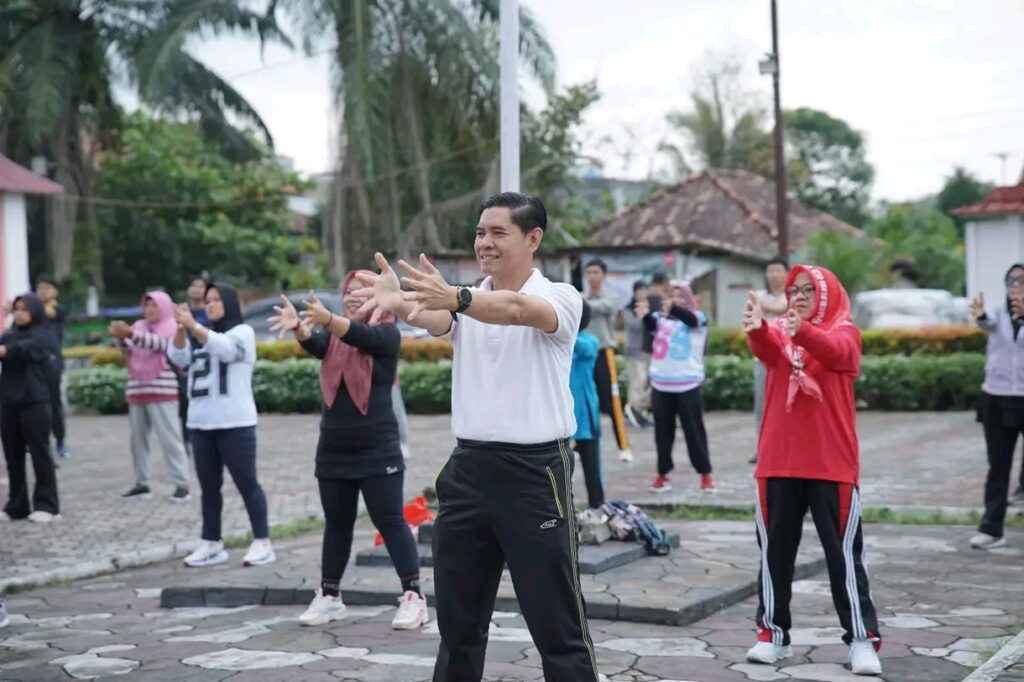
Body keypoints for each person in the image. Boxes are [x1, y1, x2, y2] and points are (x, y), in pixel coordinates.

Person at [355, 192, 598, 681]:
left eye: (498, 232)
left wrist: (459, 298)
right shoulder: (465, 302)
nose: (484, 242)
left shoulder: (560, 298)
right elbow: (437, 316)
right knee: (459, 625)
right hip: (467, 472)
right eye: (480, 232)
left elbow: (512, 309)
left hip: (535, 474)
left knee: (557, 626)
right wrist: (399, 302)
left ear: (533, 239)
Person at [742, 265, 882, 676]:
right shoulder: (783, 333)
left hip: (831, 465)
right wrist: (757, 329)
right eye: (793, 290)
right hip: (778, 461)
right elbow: (769, 350)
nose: (798, 296)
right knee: (774, 556)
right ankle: (772, 635)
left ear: (828, 295)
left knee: (844, 559)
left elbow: (836, 353)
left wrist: (800, 330)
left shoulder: (845, 332)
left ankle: (861, 638)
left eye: (808, 290)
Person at [268, 277, 428, 630]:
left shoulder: (387, 334)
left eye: (362, 293)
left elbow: (360, 337)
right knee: (336, 523)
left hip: (377, 447)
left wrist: (326, 320)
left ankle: (414, 596)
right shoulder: (336, 342)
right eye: (348, 293)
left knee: (389, 520)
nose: (353, 298)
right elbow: (321, 344)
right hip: (333, 448)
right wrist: (299, 328)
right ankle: (330, 596)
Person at [168, 283, 274, 568]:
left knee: (246, 481)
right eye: (206, 301)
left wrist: (195, 327)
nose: (210, 305)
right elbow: (177, 358)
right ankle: (212, 542)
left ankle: (262, 541)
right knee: (208, 486)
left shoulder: (243, 333)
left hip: (235, 422)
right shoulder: (198, 335)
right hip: (201, 423)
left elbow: (226, 350)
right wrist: (181, 328)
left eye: (215, 300)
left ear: (229, 302)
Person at [109, 292, 190, 502]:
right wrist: (121, 337)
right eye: (147, 305)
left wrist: (129, 333)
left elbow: (162, 344)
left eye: (155, 305)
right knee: (137, 442)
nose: (150, 309)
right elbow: (127, 350)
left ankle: (181, 484)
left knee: (170, 440)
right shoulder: (138, 325)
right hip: (137, 390)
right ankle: (141, 483)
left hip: (163, 391)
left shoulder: (171, 325)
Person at [637, 281, 715, 494]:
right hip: (661, 384)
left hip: (688, 384)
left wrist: (676, 308)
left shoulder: (698, 318)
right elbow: (650, 324)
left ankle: (705, 474)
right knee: (663, 434)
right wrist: (644, 314)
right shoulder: (660, 319)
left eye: (681, 296)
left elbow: (689, 318)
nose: (676, 300)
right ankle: (662, 474)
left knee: (694, 432)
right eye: (673, 296)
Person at [969, 263, 1024, 549]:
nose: (1016, 287)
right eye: (1011, 281)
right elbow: (985, 321)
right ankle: (992, 529)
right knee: (998, 467)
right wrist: (979, 315)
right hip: (997, 397)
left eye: (1022, 281)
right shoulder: (999, 312)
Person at [0, 294, 60, 523]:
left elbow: (28, 349)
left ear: (34, 311)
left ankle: (47, 504)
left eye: (24, 309)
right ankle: (17, 505)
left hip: (35, 401)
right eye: (16, 309)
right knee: (12, 456)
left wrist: (7, 351)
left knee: (40, 453)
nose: (19, 313)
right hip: (8, 401)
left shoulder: (43, 334)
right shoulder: (9, 334)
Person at [582, 259, 633, 463]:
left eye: (595, 272)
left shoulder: (610, 298)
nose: (592, 276)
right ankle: (582, 444)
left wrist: (583, 306)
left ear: (603, 275)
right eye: (589, 272)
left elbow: (600, 308)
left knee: (612, 402)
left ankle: (623, 446)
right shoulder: (580, 296)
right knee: (583, 400)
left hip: (604, 353)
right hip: (584, 355)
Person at [751, 258, 790, 464]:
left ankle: (787, 447)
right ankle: (763, 448)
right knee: (762, 404)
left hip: (788, 358)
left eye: (778, 270)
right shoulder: (760, 295)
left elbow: (783, 307)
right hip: (762, 359)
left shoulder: (792, 296)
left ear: (786, 273)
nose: (774, 274)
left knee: (787, 404)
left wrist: (764, 306)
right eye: (770, 271)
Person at [570, 301, 605, 510]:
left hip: (585, 417)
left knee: (592, 468)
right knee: (561, 470)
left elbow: (582, 348)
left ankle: (598, 507)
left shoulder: (589, 342)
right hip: (562, 419)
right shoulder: (555, 343)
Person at [35, 274, 68, 459]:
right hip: (36, 361)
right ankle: (38, 441)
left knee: (54, 403)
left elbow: (48, 313)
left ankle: (60, 441)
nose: (42, 291)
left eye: (46, 288)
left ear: (55, 291)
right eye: (39, 288)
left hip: (52, 361)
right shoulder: (33, 311)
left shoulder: (58, 309)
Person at [177, 276, 209, 457]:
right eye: (193, 285)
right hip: (185, 369)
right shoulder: (183, 312)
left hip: (204, 366)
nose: (197, 289)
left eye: (201, 286)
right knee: (185, 410)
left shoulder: (209, 314)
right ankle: (187, 441)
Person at [622, 280, 652, 428]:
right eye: (639, 290)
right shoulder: (628, 309)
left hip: (648, 351)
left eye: (645, 290)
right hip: (634, 351)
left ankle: (638, 410)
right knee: (636, 383)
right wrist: (643, 315)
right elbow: (634, 326)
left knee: (646, 384)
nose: (642, 293)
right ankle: (634, 412)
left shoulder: (651, 307)